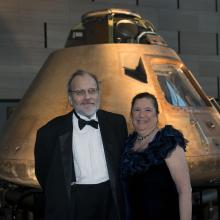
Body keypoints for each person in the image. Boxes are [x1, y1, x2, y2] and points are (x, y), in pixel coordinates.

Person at [34, 70, 128, 220]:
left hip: (111, 199)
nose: (87, 97)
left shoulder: (117, 123)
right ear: (70, 98)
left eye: (92, 91)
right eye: (80, 92)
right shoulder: (49, 132)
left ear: (99, 94)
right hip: (73, 203)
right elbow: (44, 173)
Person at [121, 92, 192, 220]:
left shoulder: (167, 141)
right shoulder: (127, 144)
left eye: (148, 110)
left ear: (156, 114)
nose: (142, 115)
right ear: (131, 114)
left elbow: (185, 191)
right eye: (137, 110)